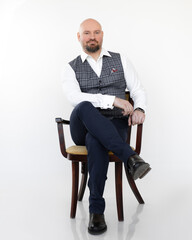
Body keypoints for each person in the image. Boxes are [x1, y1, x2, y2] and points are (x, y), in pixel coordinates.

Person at [62, 18, 151, 235]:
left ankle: (96, 211)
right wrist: (112, 100)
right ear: (79, 37)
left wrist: (139, 109)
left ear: (102, 34)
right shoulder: (70, 67)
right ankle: (130, 157)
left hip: (115, 124)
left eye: (96, 32)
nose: (92, 36)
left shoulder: (120, 60)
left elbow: (138, 90)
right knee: (83, 106)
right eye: (86, 33)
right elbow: (73, 97)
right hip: (81, 126)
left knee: (97, 140)